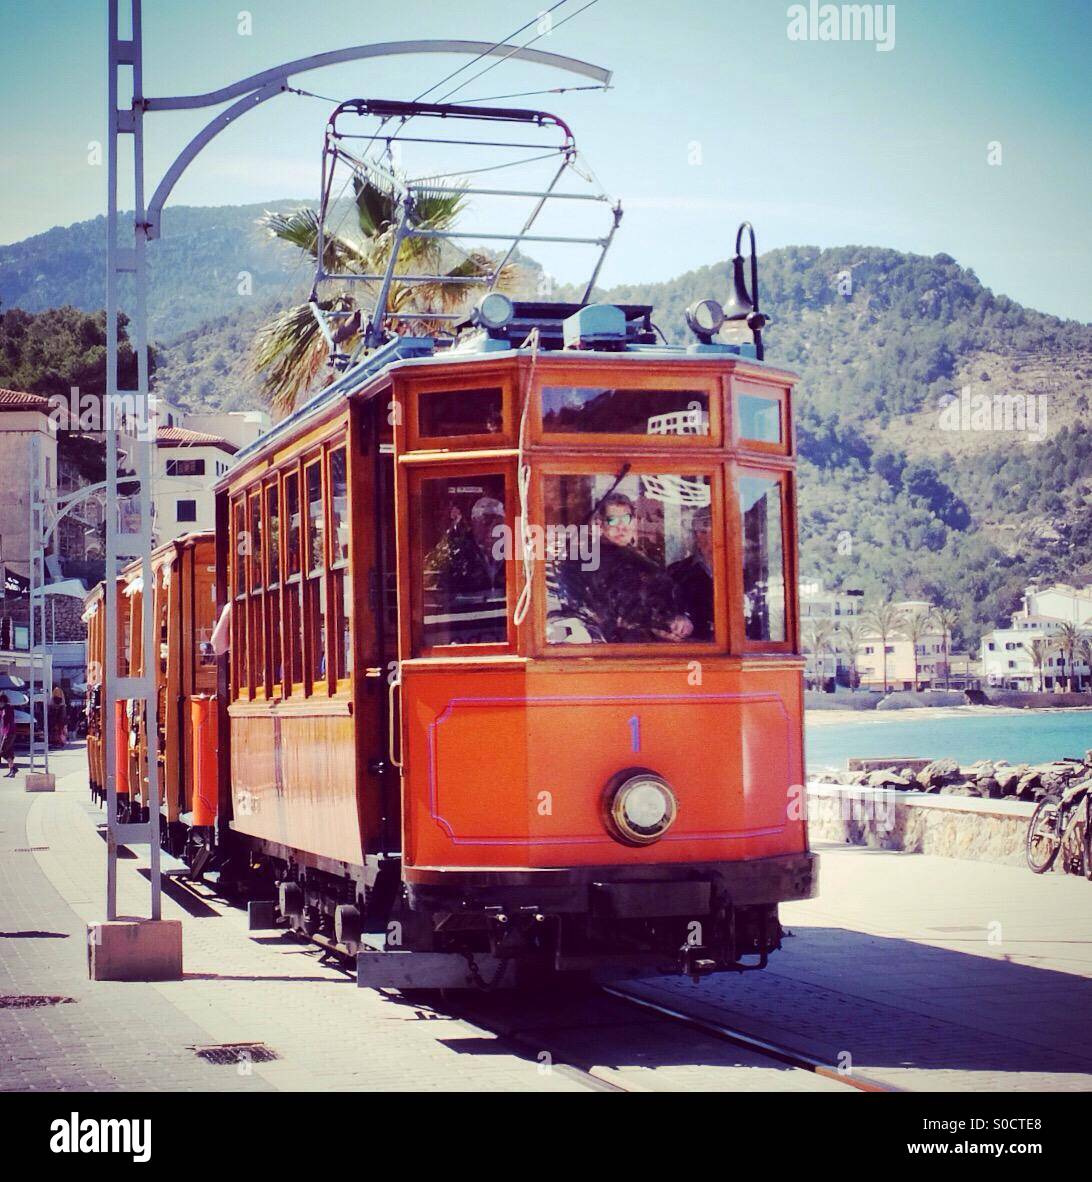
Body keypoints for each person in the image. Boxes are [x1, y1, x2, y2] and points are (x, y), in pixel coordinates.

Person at [551, 493, 693, 643]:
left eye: (626, 519)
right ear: (600, 524)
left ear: (634, 520)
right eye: (612, 520)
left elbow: (665, 604)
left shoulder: (646, 561)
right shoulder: (587, 562)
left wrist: (680, 621)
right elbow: (593, 613)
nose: (621, 527)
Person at [668, 506, 714, 641]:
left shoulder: (744, 572)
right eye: (698, 532)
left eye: (708, 531)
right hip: (693, 649)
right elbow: (665, 613)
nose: (703, 538)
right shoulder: (677, 572)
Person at [0, 693, 16, 777]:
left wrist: (5, 734)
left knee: (2, 752)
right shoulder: (6, 708)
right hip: (9, 733)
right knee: (9, 752)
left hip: (8, 733)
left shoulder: (7, 708)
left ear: (2, 701)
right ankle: (12, 771)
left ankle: (13, 768)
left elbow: (7, 722)